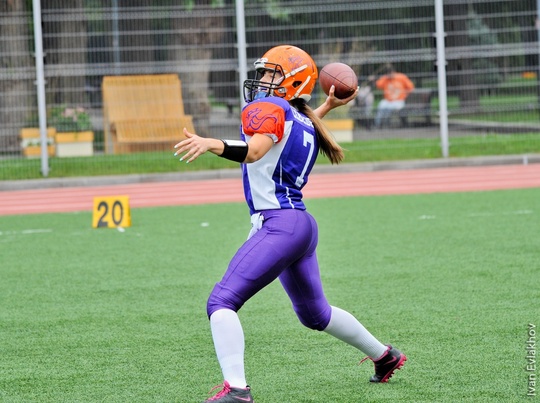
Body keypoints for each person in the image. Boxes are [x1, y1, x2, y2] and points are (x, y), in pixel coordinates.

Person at [174, 45, 407, 403]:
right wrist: (327, 106)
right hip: (300, 226)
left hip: (279, 224)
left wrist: (211, 143)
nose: (263, 79)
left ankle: (237, 390)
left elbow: (255, 151)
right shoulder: (306, 120)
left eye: (272, 73)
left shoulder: (275, 109)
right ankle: (385, 356)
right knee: (316, 315)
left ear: (293, 81)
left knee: (221, 301)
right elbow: (297, 125)